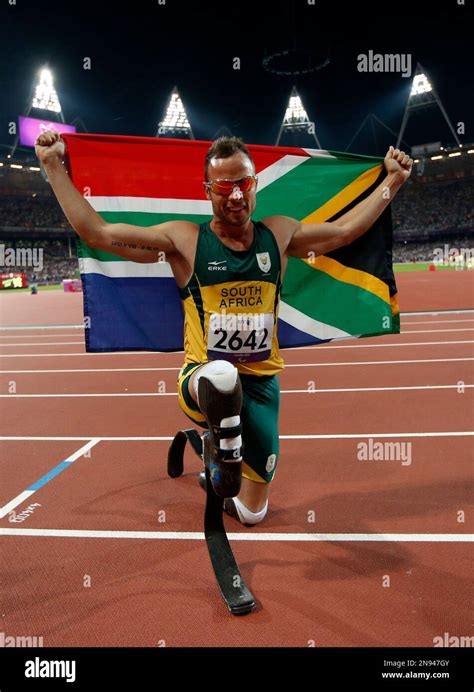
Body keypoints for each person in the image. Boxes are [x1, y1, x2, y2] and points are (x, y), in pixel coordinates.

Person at [35, 130, 413, 526]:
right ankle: (222, 440)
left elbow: (345, 232)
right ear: (207, 190)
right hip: (201, 380)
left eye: (244, 184)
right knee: (222, 377)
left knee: (253, 513)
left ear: (255, 185)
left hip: (263, 386)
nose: (235, 196)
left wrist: (393, 181)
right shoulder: (184, 241)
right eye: (224, 186)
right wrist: (53, 165)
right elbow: (99, 234)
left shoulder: (279, 235)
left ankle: (219, 463)